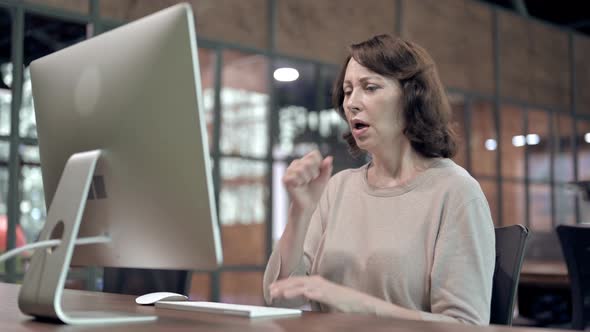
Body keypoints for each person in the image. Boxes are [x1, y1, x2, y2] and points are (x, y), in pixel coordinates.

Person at [263, 34, 495, 325]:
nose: (352, 104)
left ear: (413, 96)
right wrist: (300, 212)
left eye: (369, 88)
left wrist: (352, 302)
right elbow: (280, 297)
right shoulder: (337, 188)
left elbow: (467, 326)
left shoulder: (456, 192)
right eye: (347, 91)